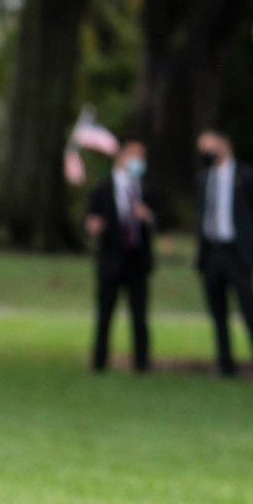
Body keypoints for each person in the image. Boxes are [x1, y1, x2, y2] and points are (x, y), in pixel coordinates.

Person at [195, 129, 253, 379]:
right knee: (218, 312)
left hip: (238, 253)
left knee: (249, 310)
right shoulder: (203, 178)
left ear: (224, 145)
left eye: (210, 147)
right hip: (213, 251)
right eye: (202, 150)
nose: (206, 153)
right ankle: (225, 365)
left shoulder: (246, 176)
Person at [84, 139, 154, 374]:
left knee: (140, 316)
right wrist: (93, 226)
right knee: (105, 314)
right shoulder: (102, 189)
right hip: (111, 259)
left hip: (137, 261)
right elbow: (89, 219)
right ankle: (99, 362)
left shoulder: (146, 190)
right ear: (121, 156)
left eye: (142, 157)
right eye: (134, 155)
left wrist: (148, 217)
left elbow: (161, 220)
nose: (138, 162)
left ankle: (142, 364)